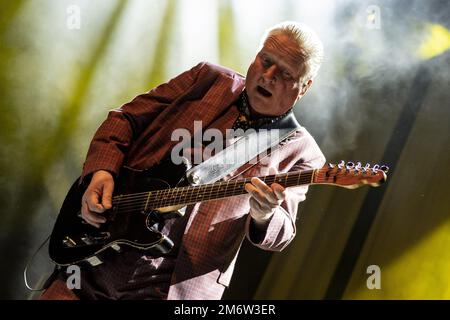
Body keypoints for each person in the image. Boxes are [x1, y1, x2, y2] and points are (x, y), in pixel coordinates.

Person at [40, 21, 326, 300]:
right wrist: (101, 172)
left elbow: (283, 232)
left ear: (305, 87)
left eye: (286, 74)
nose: (269, 75)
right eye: (265, 60)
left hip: (172, 290)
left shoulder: (302, 151)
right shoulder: (207, 79)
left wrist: (265, 215)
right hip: (92, 266)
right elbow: (125, 119)